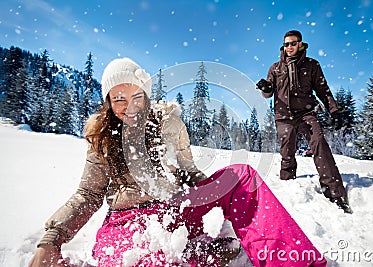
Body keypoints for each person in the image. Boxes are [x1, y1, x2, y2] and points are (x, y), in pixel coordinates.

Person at [29, 57, 327, 267]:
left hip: (173, 210)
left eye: (135, 96)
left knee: (240, 175)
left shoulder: (168, 125)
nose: (128, 106)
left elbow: (189, 173)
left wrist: (211, 199)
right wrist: (51, 241)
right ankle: (201, 255)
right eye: (118, 98)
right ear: (108, 101)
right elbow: (88, 194)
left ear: (145, 95)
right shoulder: (103, 136)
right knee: (151, 260)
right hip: (126, 223)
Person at [256, 30, 352, 214]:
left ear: (300, 44)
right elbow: (267, 93)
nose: (289, 47)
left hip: (306, 113)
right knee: (287, 153)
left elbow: (323, 90)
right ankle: (287, 187)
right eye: (286, 44)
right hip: (284, 117)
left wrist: (334, 110)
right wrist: (266, 88)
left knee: (319, 144)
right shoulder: (275, 68)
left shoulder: (312, 65)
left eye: (293, 43)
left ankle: (334, 191)